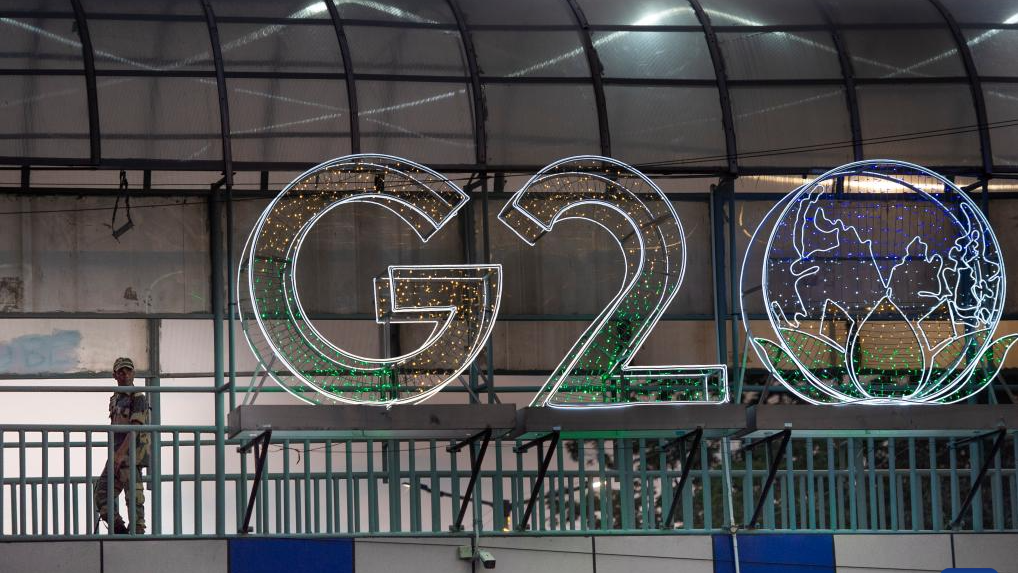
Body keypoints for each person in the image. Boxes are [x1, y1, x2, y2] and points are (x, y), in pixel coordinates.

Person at [94, 357, 150, 534]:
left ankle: (137, 532)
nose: (125, 374)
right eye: (121, 371)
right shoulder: (115, 398)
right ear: (115, 375)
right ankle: (119, 528)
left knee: (133, 496)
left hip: (131, 454)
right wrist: (115, 454)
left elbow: (135, 428)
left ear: (133, 373)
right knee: (101, 492)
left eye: (128, 371)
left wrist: (120, 454)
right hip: (117, 454)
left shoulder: (138, 397)